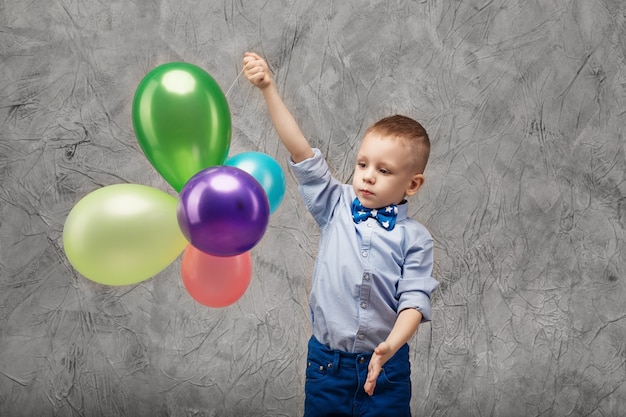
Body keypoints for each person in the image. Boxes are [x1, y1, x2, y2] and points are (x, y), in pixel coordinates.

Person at [243, 51, 439, 417]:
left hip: (386, 371)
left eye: (383, 170)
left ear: (412, 184)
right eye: (363, 164)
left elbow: (414, 302)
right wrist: (269, 87)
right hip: (326, 369)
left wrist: (390, 346)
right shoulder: (335, 204)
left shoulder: (416, 239)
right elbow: (301, 151)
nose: (366, 175)